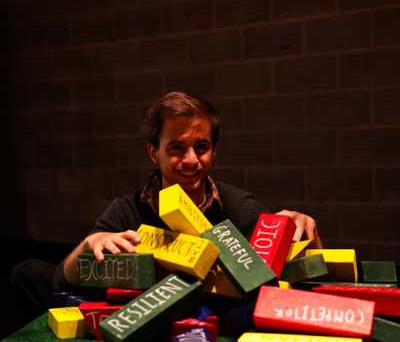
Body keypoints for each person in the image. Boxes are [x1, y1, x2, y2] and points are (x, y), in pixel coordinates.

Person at [11, 92, 321, 329]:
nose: (191, 160)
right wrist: (90, 246)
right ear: (153, 152)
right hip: (138, 324)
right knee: (27, 272)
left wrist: (306, 235)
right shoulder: (126, 210)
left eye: (201, 147)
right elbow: (61, 281)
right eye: (176, 148)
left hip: (210, 326)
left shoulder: (238, 207)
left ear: (213, 151)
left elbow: (306, 279)